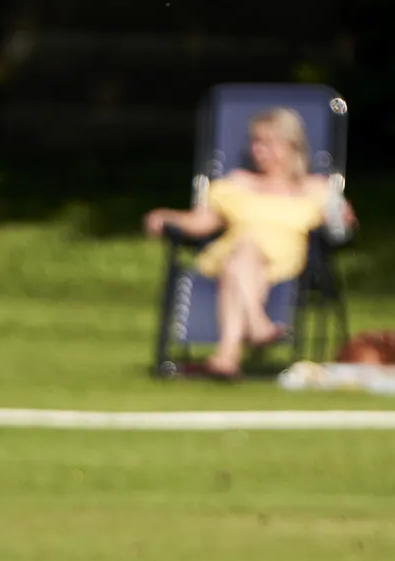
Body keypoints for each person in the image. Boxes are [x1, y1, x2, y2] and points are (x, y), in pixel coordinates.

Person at [142, 107, 352, 378]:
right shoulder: (237, 183)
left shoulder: (317, 189)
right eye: (255, 142)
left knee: (240, 260)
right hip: (232, 256)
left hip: (285, 264)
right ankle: (252, 328)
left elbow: (339, 229)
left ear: (291, 146)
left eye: (268, 142)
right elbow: (201, 222)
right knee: (243, 252)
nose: (258, 150)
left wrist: (343, 221)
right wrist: (165, 216)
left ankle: (230, 354)